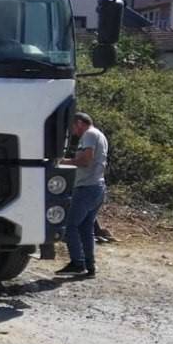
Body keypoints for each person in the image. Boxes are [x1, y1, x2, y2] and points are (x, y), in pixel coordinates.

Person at [57, 112, 107, 278]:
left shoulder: (89, 134)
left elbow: (86, 160)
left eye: (72, 127)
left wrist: (61, 161)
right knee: (86, 228)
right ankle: (89, 266)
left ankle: (77, 263)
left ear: (79, 123)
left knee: (71, 226)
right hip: (97, 187)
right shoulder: (99, 135)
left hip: (87, 188)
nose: (72, 132)